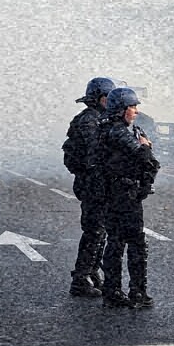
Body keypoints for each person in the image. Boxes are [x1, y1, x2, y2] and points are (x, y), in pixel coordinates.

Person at [92, 86, 161, 308]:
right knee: (134, 243)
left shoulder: (110, 129)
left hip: (116, 192)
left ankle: (113, 290)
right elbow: (144, 158)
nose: (136, 111)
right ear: (122, 110)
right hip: (124, 194)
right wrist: (146, 148)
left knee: (116, 242)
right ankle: (137, 292)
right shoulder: (119, 132)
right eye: (133, 107)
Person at [62, 76, 115, 297]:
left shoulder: (97, 119)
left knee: (100, 231)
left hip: (96, 183)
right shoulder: (90, 121)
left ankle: (92, 272)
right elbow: (97, 153)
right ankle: (81, 278)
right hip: (93, 184)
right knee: (94, 231)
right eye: (108, 97)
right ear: (100, 98)